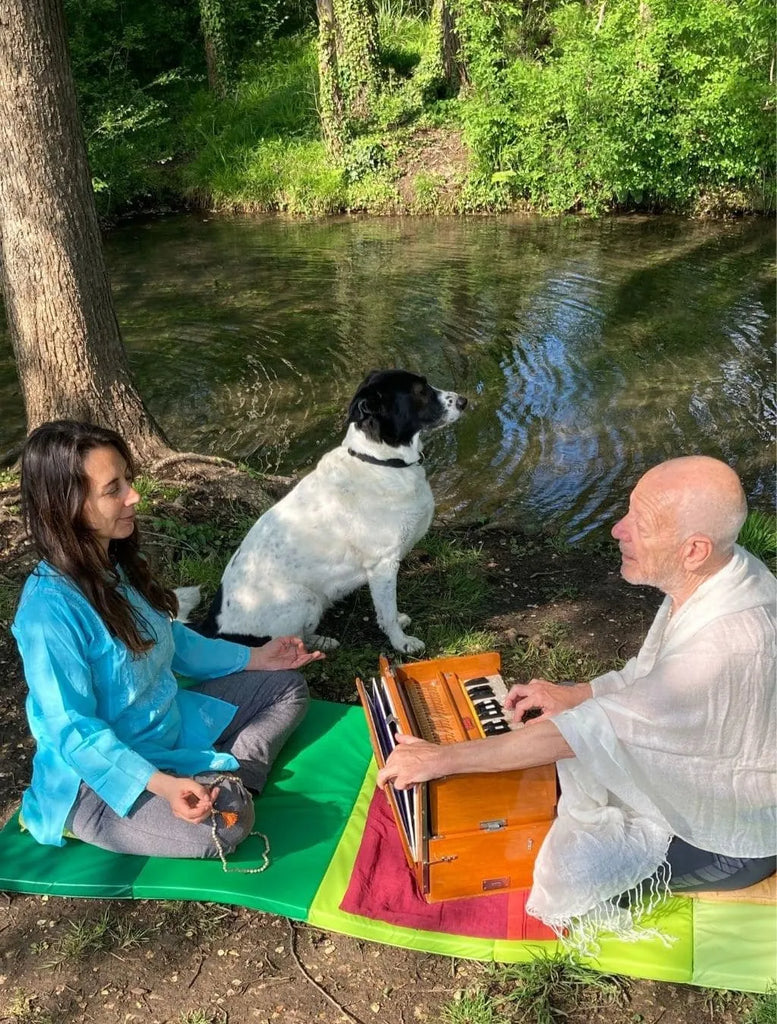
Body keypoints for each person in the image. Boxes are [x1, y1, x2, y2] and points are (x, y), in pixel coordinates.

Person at [378, 456, 776, 935]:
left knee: (564, 869)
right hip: (714, 781)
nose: (617, 529)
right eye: (627, 511)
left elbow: (581, 735)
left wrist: (441, 759)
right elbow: (651, 678)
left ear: (694, 550)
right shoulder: (729, 571)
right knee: (554, 793)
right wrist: (579, 692)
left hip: (730, 836)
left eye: (640, 524)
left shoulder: (723, 644)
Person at [12, 420, 324, 860]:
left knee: (287, 687)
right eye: (113, 488)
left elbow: (169, 638)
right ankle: (208, 787)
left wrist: (256, 657)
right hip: (96, 782)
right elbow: (73, 731)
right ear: (67, 505)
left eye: (128, 480)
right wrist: (160, 784)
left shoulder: (112, 563)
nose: (133, 496)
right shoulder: (47, 611)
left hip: (166, 729)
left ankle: (233, 777)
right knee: (226, 827)